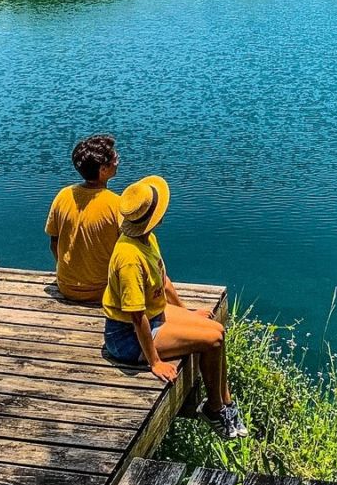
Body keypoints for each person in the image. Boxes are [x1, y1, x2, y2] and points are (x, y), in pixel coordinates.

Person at [102, 175, 247, 440]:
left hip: (154, 315)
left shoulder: (147, 240)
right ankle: (213, 409)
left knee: (215, 328)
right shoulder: (129, 258)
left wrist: (187, 312)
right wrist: (155, 362)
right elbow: (136, 317)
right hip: (127, 338)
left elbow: (163, 280)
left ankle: (226, 401)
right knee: (212, 340)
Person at [45, 134, 122, 302]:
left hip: (66, 285)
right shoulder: (116, 204)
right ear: (103, 169)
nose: (118, 161)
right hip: (103, 290)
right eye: (115, 158)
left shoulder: (63, 195)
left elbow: (54, 243)